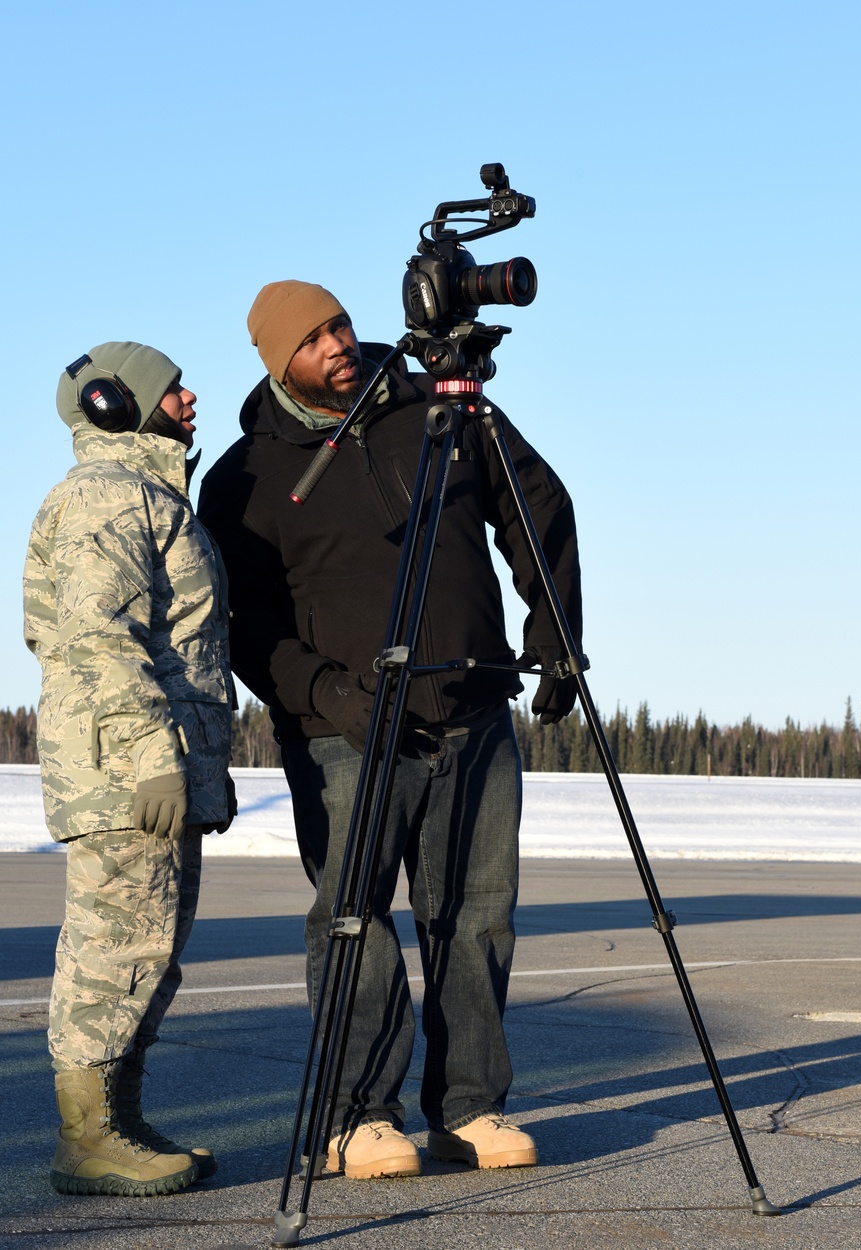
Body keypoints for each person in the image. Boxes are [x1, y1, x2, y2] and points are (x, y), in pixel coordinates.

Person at [197, 280, 582, 1179]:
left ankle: (471, 1107)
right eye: (313, 338)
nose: (337, 343)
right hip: (344, 737)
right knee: (354, 920)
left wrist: (555, 630)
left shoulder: (441, 412)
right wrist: (332, 695)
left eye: (340, 324)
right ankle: (357, 1116)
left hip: (474, 711)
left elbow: (540, 506)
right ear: (277, 361)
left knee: (476, 916)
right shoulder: (246, 474)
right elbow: (247, 630)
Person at [24, 343, 236, 1196]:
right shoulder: (105, 500)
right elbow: (96, 636)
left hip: (154, 766)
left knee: (149, 948)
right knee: (114, 948)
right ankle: (86, 1139)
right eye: (172, 387)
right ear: (117, 403)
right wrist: (154, 756)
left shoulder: (150, 496)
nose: (189, 397)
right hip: (125, 770)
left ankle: (117, 1117)